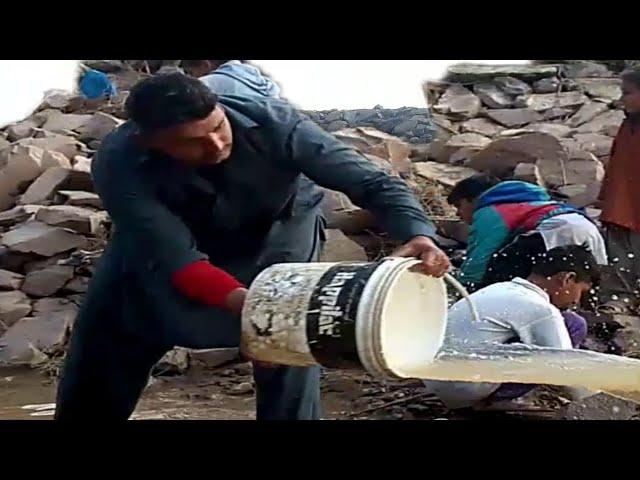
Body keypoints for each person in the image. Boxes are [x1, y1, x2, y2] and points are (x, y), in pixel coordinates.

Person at [54, 73, 450, 421]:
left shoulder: (274, 122)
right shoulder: (120, 160)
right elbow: (176, 258)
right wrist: (255, 307)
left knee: (289, 344)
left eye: (218, 128)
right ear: (151, 141)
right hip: (159, 256)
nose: (215, 145)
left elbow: (372, 184)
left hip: (278, 235)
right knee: (107, 352)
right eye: (193, 141)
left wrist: (417, 233)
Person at [423, 245, 600, 410]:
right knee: (573, 325)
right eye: (581, 292)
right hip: (464, 390)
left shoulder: (501, 288)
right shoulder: (540, 309)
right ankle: (494, 401)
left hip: (437, 382)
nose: (576, 301)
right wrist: (599, 401)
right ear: (566, 279)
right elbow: (566, 370)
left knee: (566, 322)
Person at [448, 175, 607, 291]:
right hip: (587, 227)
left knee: (507, 272)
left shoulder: (488, 211)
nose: (458, 214)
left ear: (474, 199)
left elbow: (481, 255)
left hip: (554, 231)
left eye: (458, 206)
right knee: (585, 281)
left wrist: (463, 288)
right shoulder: (528, 201)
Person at [597, 68, 640, 315]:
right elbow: (616, 160)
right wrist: (606, 194)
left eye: (628, 93)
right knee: (619, 255)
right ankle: (619, 298)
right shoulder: (628, 124)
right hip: (620, 200)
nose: (622, 99)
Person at [181, 60, 281, 99]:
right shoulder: (265, 83)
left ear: (205, 65)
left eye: (190, 73)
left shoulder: (206, 85)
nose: (191, 77)